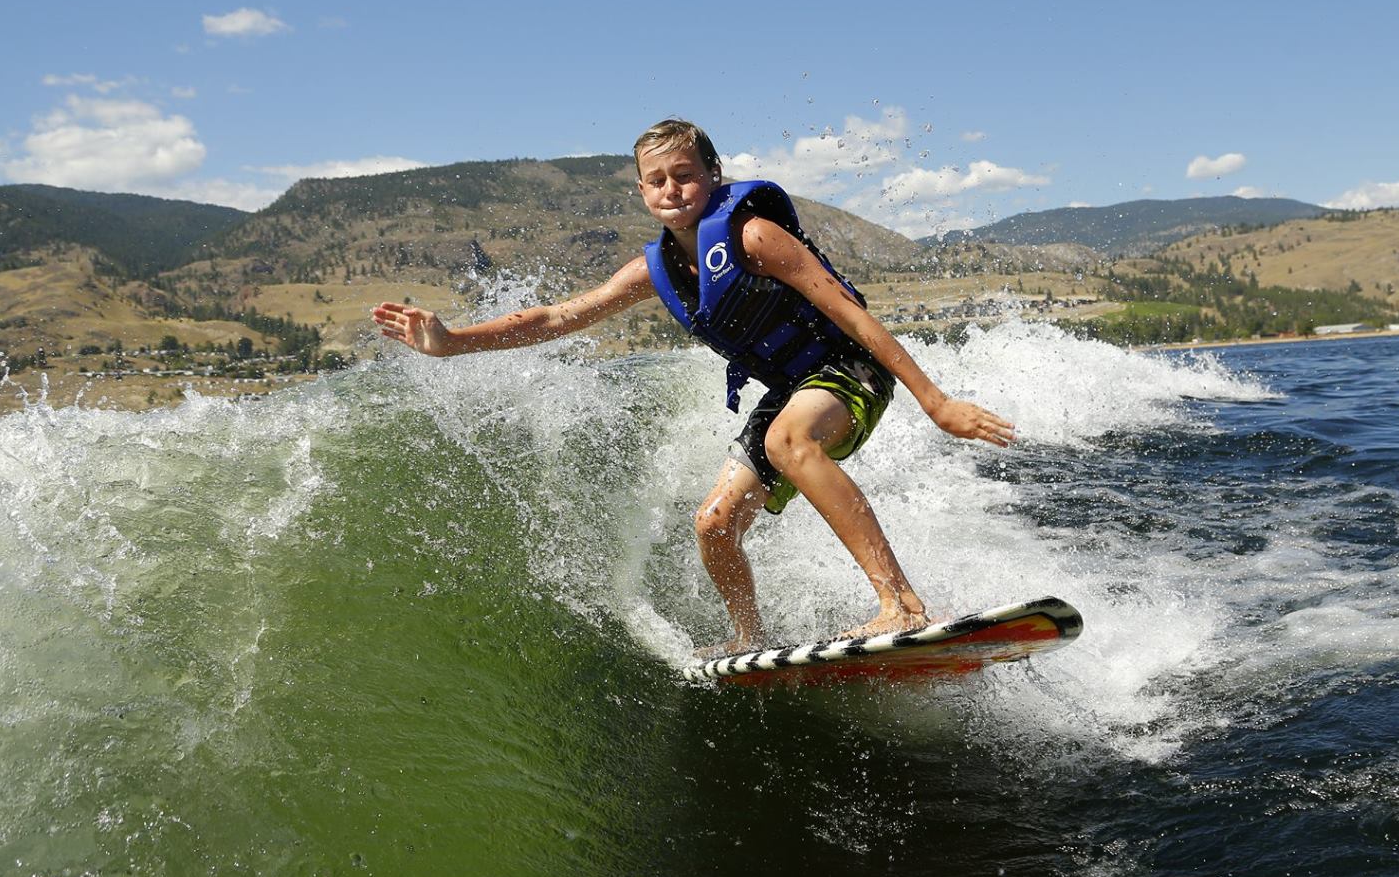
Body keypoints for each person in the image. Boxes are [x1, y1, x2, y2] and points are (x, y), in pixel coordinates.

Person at [372, 118, 1014, 654]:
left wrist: (937, 401)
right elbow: (556, 317)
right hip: (790, 389)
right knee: (713, 524)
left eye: (684, 174)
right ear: (642, 191)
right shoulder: (657, 270)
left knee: (791, 441)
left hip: (849, 370)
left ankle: (899, 604)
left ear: (712, 175)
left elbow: (852, 315)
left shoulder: (755, 235)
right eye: (657, 180)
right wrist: (454, 343)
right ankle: (748, 637)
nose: (672, 189)